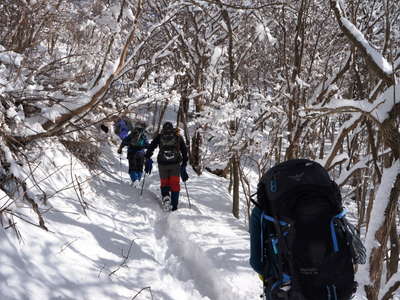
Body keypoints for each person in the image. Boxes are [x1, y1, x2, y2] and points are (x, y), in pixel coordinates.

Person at [144, 121, 188, 211]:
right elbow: (184, 150)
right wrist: (184, 163)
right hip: (175, 164)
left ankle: (166, 197)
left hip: (162, 163)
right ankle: (174, 205)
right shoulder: (178, 136)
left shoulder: (160, 136)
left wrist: (147, 157)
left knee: (165, 182)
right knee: (174, 183)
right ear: (172, 128)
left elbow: (151, 146)